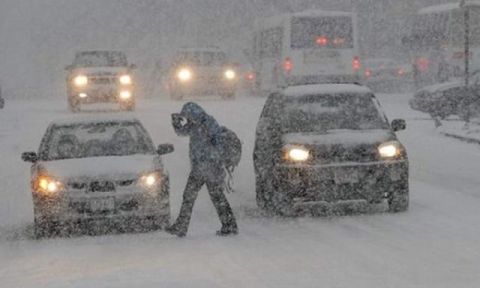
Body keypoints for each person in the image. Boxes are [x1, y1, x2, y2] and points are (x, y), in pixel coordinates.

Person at [166, 102, 238, 237]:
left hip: (209, 168)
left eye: (188, 116)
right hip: (201, 168)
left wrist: (210, 159)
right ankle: (229, 225)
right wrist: (176, 123)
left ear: (194, 113)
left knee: (193, 196)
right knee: (213, 197)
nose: (187, 119)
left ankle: (182, 226)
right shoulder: (195, 124)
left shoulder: (208, 123)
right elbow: (182, 132)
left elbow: (219, 144)